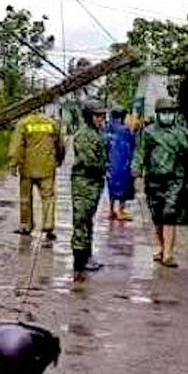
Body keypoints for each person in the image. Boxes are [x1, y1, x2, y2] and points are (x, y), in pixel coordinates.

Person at [132, 98, 188, 268]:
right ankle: (160, 247)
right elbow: (141, 153)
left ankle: (169, 253)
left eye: (170, 112)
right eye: (164, 112)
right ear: (158, 114)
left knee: (169, 213)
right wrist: (136, 172)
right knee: (157, 214)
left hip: (175, 178)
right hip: (154, 179)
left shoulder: (182, 133)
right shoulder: (149, 132)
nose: (167, 115)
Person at [8, 109, 65, 239]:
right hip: (47, 167)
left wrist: (13, 163)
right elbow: (60, 145)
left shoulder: (23, 124)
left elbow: (17, 145)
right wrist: (59, 159)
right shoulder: (52, 124)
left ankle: (25, 225)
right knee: (48, 197)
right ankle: (48, 225)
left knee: (25, 198)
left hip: (27, 167)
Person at [71, 101, 109, 279]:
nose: (101, 119)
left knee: (87, 220)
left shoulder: (96, 133)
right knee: (81, 220)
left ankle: (86, 256)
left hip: (93, 182)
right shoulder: (84, 135)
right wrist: (105, 167)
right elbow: (90, 161)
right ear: (89, 117)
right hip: (84, 182)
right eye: (98, 116)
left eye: (103, 116)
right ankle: (79, 261)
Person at [105, 108, 136, 221]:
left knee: (111, 187)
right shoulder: (126, 131)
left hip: (110, 163)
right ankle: (120, 210)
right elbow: (133, 145)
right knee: (124, 187)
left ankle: (111, 210)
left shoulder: (108, 129)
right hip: (123, 163)